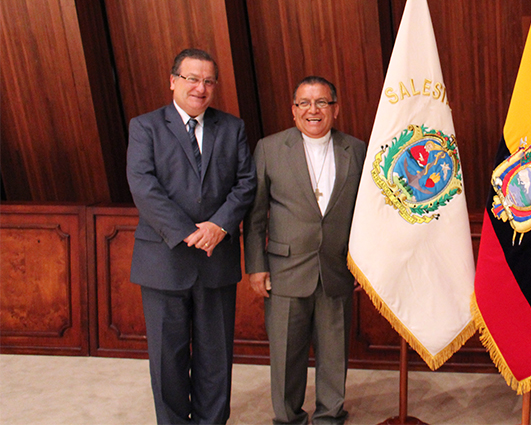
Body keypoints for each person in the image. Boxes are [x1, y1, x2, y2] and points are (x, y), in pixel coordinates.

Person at [127, 48, 256, 424]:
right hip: (163, 261)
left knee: (216, 357)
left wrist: (217, 226)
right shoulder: (145, 126)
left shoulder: (232, 127)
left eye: (208, 81)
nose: (200, 88)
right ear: (173, 81)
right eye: (192, 79)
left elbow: (245, 184)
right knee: (168, 358)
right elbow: (143, 186)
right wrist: (187, 232)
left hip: (217, 258)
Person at [244, 76, 366, 425]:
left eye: (322, 102)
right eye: (304, 103)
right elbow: (254, 215)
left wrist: (363, 265)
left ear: (335, 109)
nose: (313, 110)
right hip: (284, 270)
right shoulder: (269, 148)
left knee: (334, 354)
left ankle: (330, 415)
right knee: (286, 355)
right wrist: (256, 266)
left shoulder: (356, 149)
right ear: (294, 110)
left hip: (336, 268)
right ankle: (288, 418)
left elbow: (366, 214)